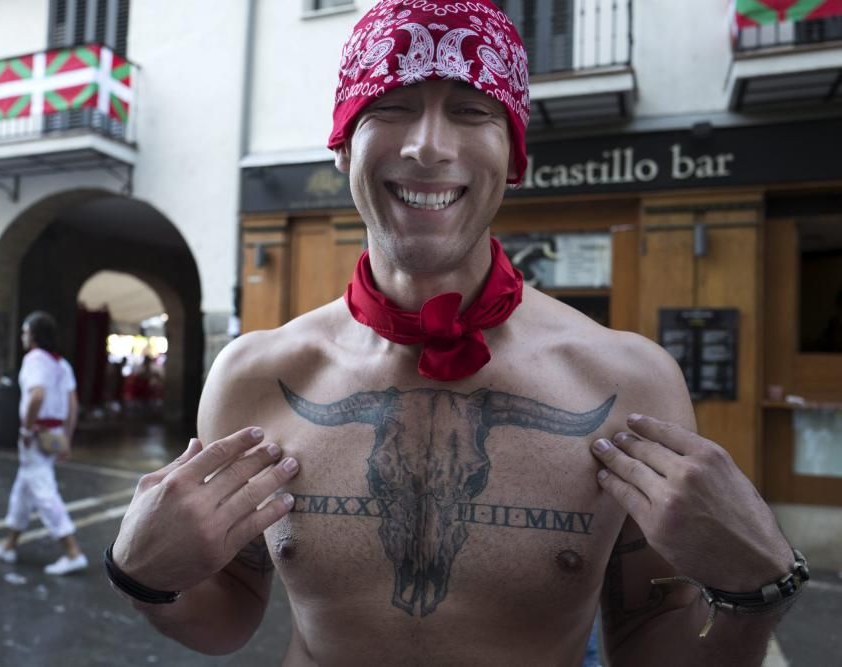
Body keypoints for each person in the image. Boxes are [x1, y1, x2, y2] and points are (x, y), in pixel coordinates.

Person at [107, 2, 802, 664]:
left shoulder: (627, 383)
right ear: (344, 147)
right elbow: (228, 612)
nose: (427, 146)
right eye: (390, 107)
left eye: (472, 112)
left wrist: (753, 594)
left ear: (513, 156)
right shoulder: (255, 376)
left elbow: (653, 643)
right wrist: (143, 575)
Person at [0, 311, 88, 575]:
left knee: (43, 490)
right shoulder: (62, 364)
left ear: (33, 335)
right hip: (54, 433)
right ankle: (10, 544)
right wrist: (66, 438)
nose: (23, 336)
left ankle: (72, 550)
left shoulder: (34, 359)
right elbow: (73, 404)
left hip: (36, 434)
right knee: (24, 488)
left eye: (25, 331)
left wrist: (26, 428)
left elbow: (36, 395)